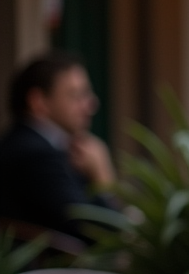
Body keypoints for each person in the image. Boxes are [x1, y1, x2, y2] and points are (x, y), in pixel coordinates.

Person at [0, 54, 115, 239]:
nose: (91, 104)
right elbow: (97, 230)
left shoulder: (41, 145)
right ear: (39, 101)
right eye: (77, 95)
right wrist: (103, 179)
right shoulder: (35, 154)